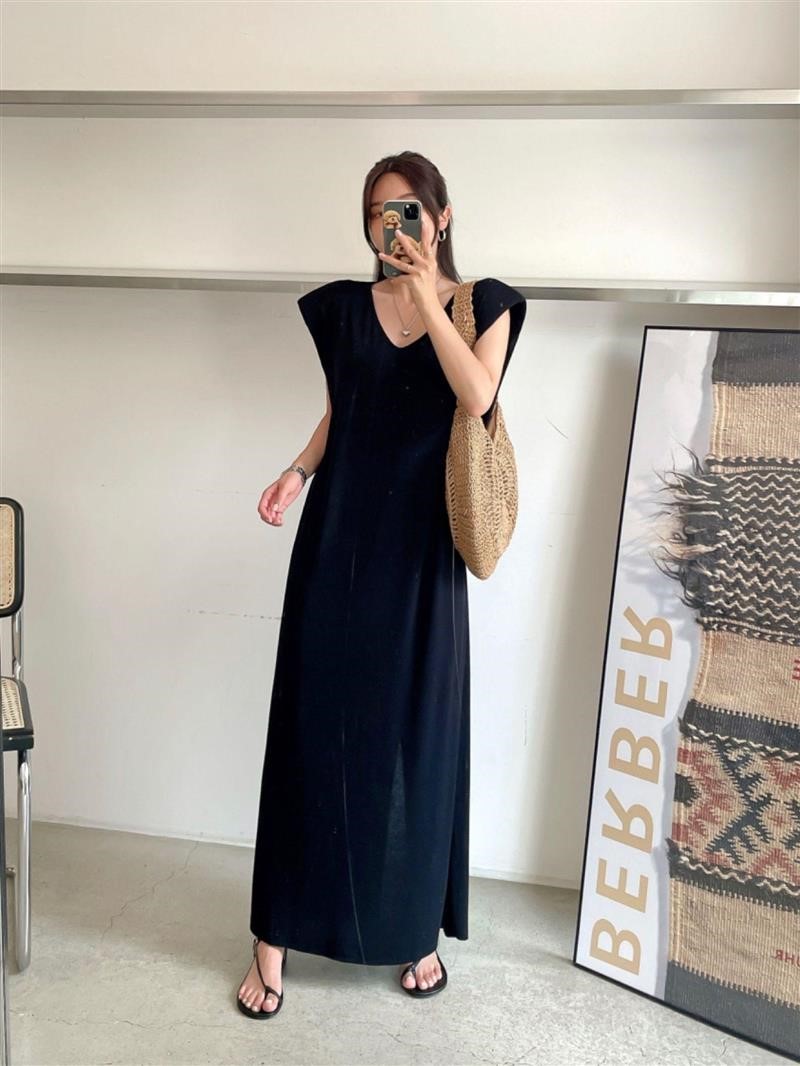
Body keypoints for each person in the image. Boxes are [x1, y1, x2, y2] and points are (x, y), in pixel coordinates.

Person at [237, 151, 527, 1017]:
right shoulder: (341, 308)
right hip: (338, 542)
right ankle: (273, 935)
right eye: (376, 212)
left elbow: (476, 396)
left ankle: (411, 926)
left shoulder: (486, 304)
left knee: (415, 740)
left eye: (406, 209)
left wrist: (426, 294)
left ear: (442, 216)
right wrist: (297, 472)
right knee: (309, 728)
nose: (389, 224)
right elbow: (345, 409)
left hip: (423, 553)